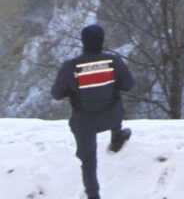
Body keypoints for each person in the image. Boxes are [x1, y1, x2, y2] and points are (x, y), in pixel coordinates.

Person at [52, 24, 134, 199]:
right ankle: (117, 138)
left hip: (84, 122)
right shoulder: (113, 62)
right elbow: (128, 85)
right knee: (115, 97)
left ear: (83, 42)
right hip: (111, 116)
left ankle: (93, 194)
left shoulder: (71, 66)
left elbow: (57, 94)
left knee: (88, 161)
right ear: (101, 41)